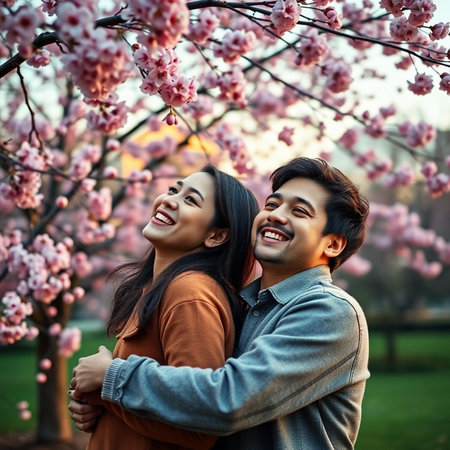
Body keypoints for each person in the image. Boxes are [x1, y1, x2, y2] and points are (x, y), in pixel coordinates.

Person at [70, 157, 371, 450]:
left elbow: (229, 401)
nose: (276, 215)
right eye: (272, 204)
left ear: (332, 244)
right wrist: (103, 398)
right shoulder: (247, 305)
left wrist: (113, 378)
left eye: (300, 211)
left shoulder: (329, 311)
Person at [69, 165, 258, 449]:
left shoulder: (189, 294)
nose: (169, 199)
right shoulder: (161, 288)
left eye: (191, 199)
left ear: (216, 236)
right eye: (173, 189)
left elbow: (199, 425)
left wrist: (104, 385)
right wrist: (97, 399)